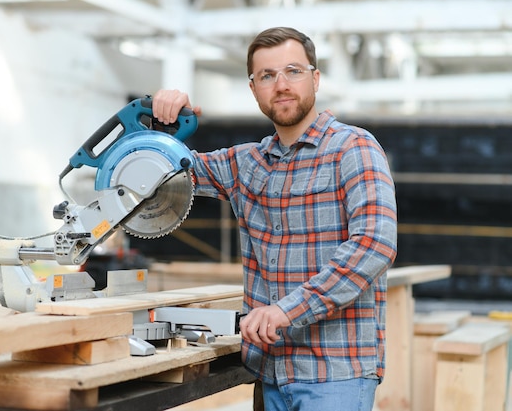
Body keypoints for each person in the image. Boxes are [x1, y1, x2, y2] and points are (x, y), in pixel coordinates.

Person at [152, 27, 397, 411]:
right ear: (254, 89)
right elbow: (164, 171)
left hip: (334, 375)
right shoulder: (247, 163)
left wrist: (286, 310)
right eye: (267, 76)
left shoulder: (354, 148)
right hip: (268, 373)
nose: (281, 85)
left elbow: (374, 244)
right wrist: (162, 121)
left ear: (315, 78)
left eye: (293, 71)